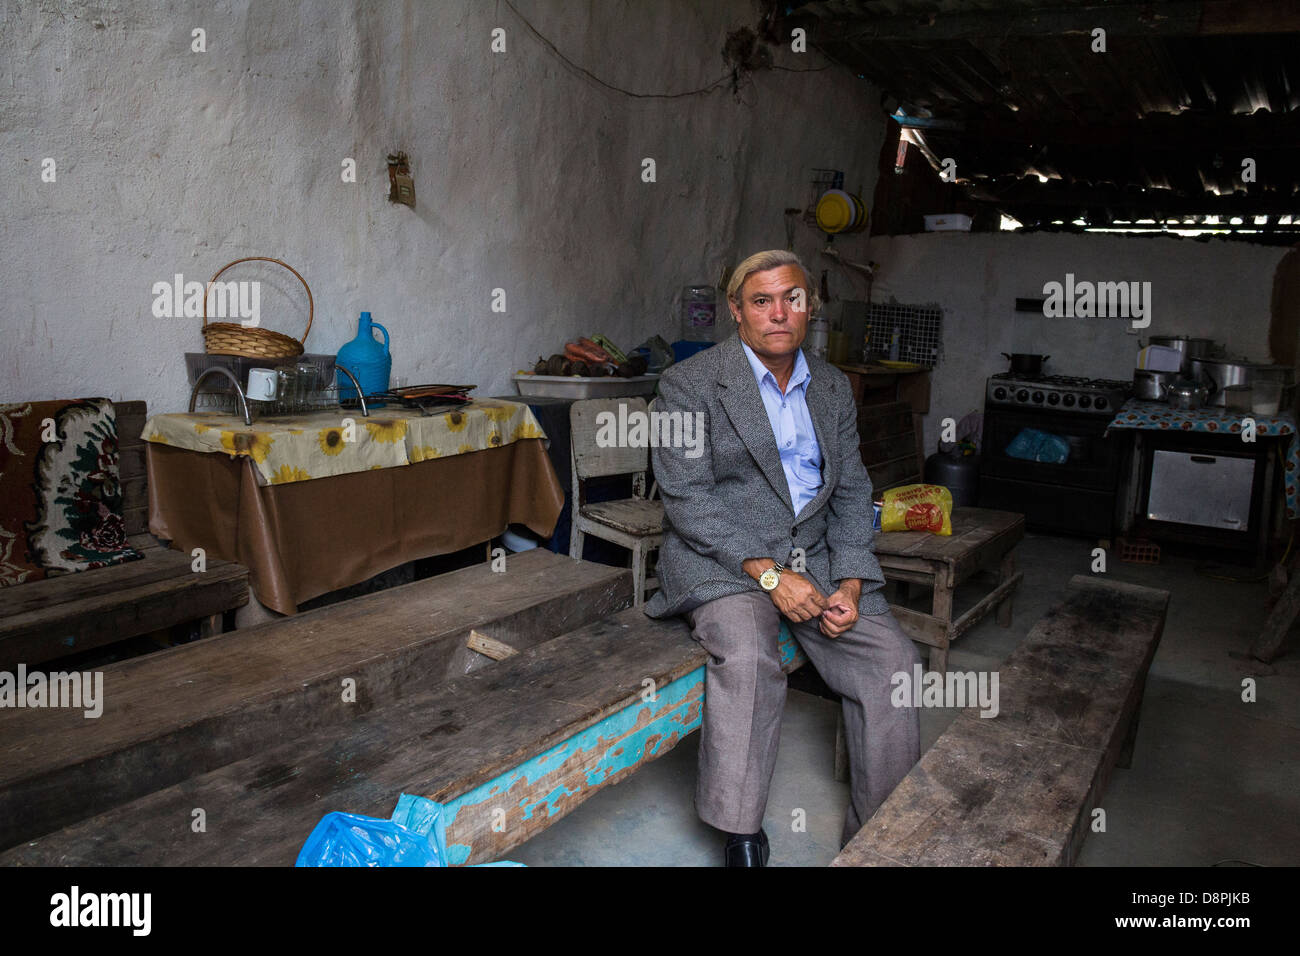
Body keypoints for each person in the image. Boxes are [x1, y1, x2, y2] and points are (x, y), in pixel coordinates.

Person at [644, 249, 921, 866]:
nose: (778, 313)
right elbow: (688, 500)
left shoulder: (830, 387)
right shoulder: (688, 384)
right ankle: (740, 831)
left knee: (894, 664)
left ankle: (881, 838)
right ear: (736, 313)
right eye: (761, 301)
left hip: (817, 556)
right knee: (747, 653)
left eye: (791, 298)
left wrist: (849, 581)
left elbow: (851, 490)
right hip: (722, 560)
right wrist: (770, 576)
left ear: (809, 308)